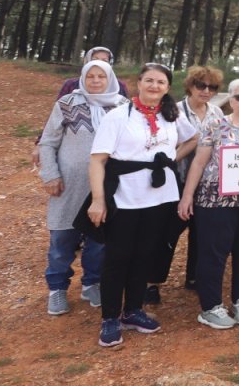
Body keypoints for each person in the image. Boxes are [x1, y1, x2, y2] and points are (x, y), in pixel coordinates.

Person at [87, 63, 198, 348]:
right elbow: (98, 160)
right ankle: (110, 317)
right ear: (139, 83)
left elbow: (194, 138)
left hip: (160, 197)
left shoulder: (171, 114)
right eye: (149, 80)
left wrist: (170, 158)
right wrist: (98, 200)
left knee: (145, 254)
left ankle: (133, 310)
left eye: (160, 82)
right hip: (125, 196)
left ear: (167, 87)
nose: (154, 86)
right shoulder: (118, 116)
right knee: (118, 256)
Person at [176, 79, 239, 329]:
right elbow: (199, 162)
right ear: (230, 100)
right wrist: (188, 196)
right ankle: (211, 306)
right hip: (215, 200)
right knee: (213, 253)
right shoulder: (215, 124)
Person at [39, 59, 126, 316]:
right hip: (69, 185)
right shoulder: (67, 104)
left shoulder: (122, 106)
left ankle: (91, 283)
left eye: (101, 76)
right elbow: (47, 143)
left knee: (99, 239)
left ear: (110, 78)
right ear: (82, 79)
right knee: (62, 239)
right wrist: (50, 175)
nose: (96, 81)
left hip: (106, 185)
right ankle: (57, 289)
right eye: (91, 76)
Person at [146, 66, 224, 304]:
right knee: (167, 233)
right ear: (190, 86)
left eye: (212, 87)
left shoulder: (217, 113)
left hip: (207, 183)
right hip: (175, 180)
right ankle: (151, 282)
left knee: (202, 234)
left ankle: (194, 277)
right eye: (201, 85)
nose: (206, 91)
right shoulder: (173, 110)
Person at [56, 47, 129, 99]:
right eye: (95, 59)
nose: (99, 62)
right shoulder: (71, 84)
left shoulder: (119, 86)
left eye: (104, 60)